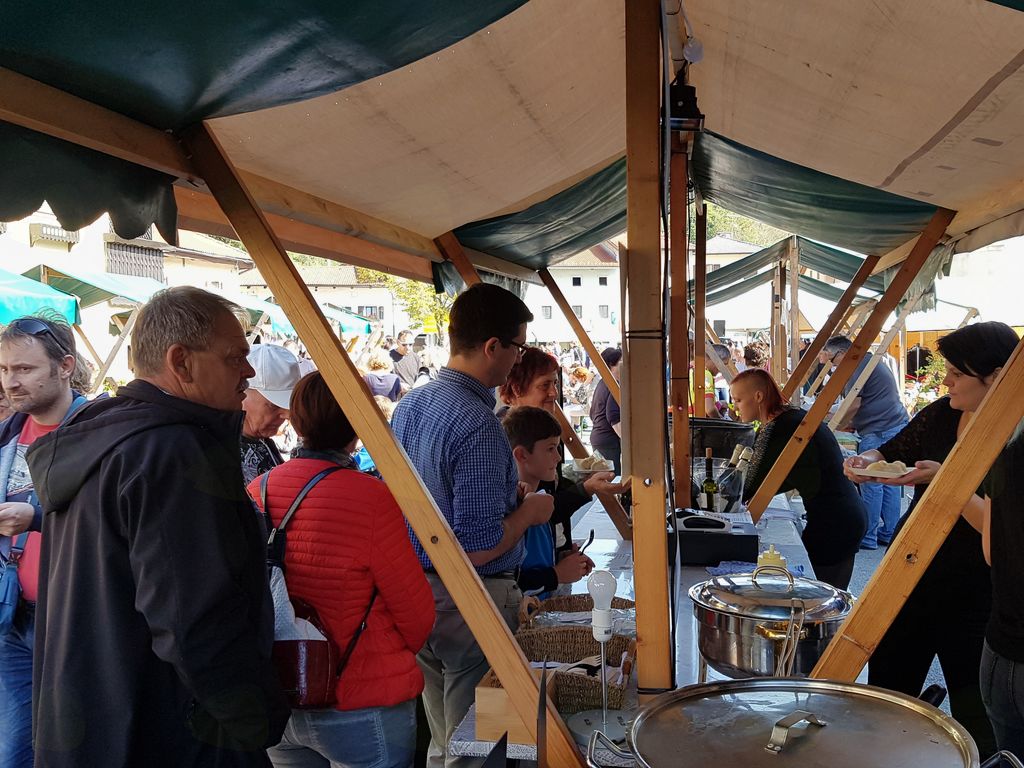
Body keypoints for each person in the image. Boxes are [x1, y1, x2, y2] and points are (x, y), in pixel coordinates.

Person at [27, 287, 289, 767]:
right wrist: (256, 716)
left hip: (100, 718)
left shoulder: (108, 436)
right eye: (235, 358)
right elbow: (194, 618)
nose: (249, 373)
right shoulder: (170, 452)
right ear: (181, 362)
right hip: (171, 729)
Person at [390, 282, 552, 768]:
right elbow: (476, 545)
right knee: (480, 747)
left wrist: (508, 498)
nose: (517, 359)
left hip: (416, 591)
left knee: (444, 740)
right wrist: (528, 513)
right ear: (492, 347)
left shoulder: (412, 404)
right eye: (517, 348)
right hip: (471, 597)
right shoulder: (479, 423)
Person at [842, 322, 1019, 758]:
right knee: (887, 695)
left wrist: (945, 482)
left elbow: (1000, 537)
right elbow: (892, 450)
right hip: (910, 573)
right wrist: (867, 460)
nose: (946, 382)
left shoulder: (1012, 440)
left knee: (976, 715)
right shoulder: (943, 413)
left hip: (976, 593)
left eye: (957, 374)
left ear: (997, 377)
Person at [249, 372, 434, 768]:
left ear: (296, 420)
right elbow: (415, 612)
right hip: (362, 699)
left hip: (280, 692)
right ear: (357, 424)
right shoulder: (372, 498)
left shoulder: (258, 490)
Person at [0, 316, 85, 768]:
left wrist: (36, 519)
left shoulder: (97, 431)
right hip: (12, 616)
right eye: (4, 369)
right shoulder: (8, 433)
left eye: (24, 369)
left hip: (75, 621)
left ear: (65, 366)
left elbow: (116, 520)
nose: (11, 382)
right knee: (14, 751)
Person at [731, 368, 867, 589]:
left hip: (835, 522)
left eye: (738, 400)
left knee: (821, 597)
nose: (734, 406)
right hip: (844, 514)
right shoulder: (790, 418)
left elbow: (748, 485)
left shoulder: (781, 428)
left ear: (758, 396)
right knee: (825, 593)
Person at [498, 348, 628, 554]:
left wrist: (563, 549)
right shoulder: (505, 438)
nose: (553, 392)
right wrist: (586, 488)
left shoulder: (544, 430)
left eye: (555, 383)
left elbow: (552, 494)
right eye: (544, 385)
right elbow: (542, 509)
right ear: (516, 389)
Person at [820, 335, 909, 549]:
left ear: (843, 353)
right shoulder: (868, 362)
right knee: (888, 481)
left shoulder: (858, 367)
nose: (833, 366)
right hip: (892, 424)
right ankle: (888, 533)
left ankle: (868, 536)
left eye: (833, 360)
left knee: (871, 483)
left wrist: (834, 426)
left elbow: (853, 405)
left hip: (878, 428)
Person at [502, 406, 594, 597]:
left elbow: (535, 560)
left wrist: (563, 560)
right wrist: (556, 574)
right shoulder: (512, 509)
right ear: (521, 455)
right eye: (550, 449)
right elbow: (508, 584)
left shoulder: (541, 500)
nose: (558, 457)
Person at [241, 343, 303, 484]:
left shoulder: (263, 441)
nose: (287, 415)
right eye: (274, 406)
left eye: (288, 407)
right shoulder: (222, 450)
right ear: (242, 394)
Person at [589, 347, 624, 474]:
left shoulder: (602, 383)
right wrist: (629, 441)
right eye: (621, 362)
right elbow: (613, 416)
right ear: (611, 365)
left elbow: (592, 413)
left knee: (604, 478)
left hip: (599, 438)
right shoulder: (614, 385)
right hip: (608, 441)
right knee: (611, 479)